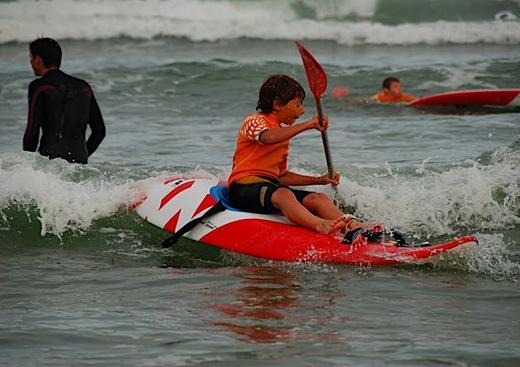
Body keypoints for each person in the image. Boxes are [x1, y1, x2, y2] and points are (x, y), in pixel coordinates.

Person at [227, 74, 365, 235]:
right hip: (243, 188)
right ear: (278, 104)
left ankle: (354, 226)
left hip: (272, 188)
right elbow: (267, 137)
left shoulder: (283, 135)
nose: (302, 111)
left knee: (318, 199)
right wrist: (309, 124)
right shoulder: (254, 121)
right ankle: (321, 225)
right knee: (284, 194)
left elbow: (282, 175)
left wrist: (319, 180)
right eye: (298, 105)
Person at [23, 37, 106, 164]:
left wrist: (27, 166)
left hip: (50, 162)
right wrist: (83, 154)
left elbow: (32, 131)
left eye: (31, 58)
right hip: (79, 161)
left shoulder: (40, 86)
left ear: (39, 60)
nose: (31, 62)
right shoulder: (83, 87)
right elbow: (99, 131)